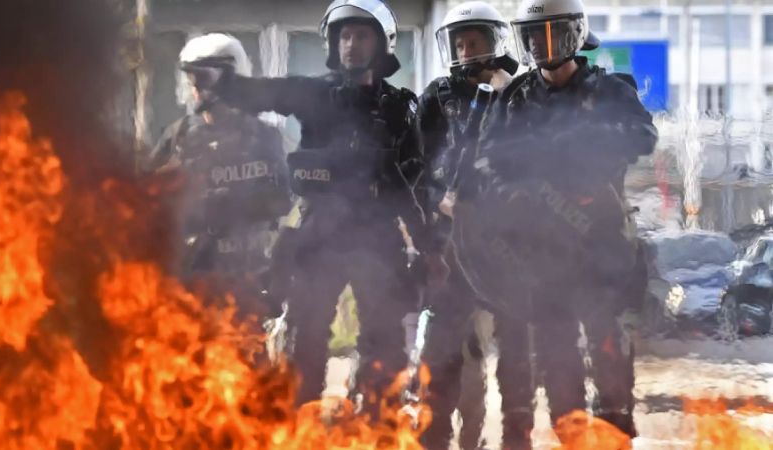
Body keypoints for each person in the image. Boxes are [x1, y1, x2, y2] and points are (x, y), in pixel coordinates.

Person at [187, 0, 447, 417]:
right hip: (318, 238)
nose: (351, 44)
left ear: (382, 43)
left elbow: (412, 183)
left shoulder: (400, 107)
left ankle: (376, 427)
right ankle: (300, 425)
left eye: (361, 35)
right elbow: (265, 91)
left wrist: (429, 247)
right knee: (303, 341)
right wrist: (224, 81)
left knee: (382, 346)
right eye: (344, 35)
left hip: (377, 240)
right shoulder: (314, 94)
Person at [454, 0, 657, 446]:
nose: (544, 46)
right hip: (541, 253)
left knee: (609, 349)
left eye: (554, 34)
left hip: (600, 245)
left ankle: (615, 432)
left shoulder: (608, 90)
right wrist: (511, 195)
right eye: (534, 36)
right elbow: (487, 160)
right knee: (555, 355)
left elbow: (643, 135)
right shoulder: (515, 96)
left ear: (575, 36)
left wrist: (582, 144)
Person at [416, 2, 518, 448]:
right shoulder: (438, 97)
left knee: (498, 359)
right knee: (442, 356)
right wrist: (438, 202)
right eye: (458, 42)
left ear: (494, 43)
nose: (465, 49)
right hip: (449, 243)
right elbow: (415, 165)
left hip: (500, 248)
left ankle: (477, 437)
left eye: (473, 41)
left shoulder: (517, 94)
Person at [143, 33, 292, 324]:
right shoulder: (179, 137)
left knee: (250, 362)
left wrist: (233, 203)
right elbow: (147, 202)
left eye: (204, 78)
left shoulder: (263, 137)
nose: (196, 89)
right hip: (192, 278)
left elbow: (283, 200)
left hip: (246, 277)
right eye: (192, 80)